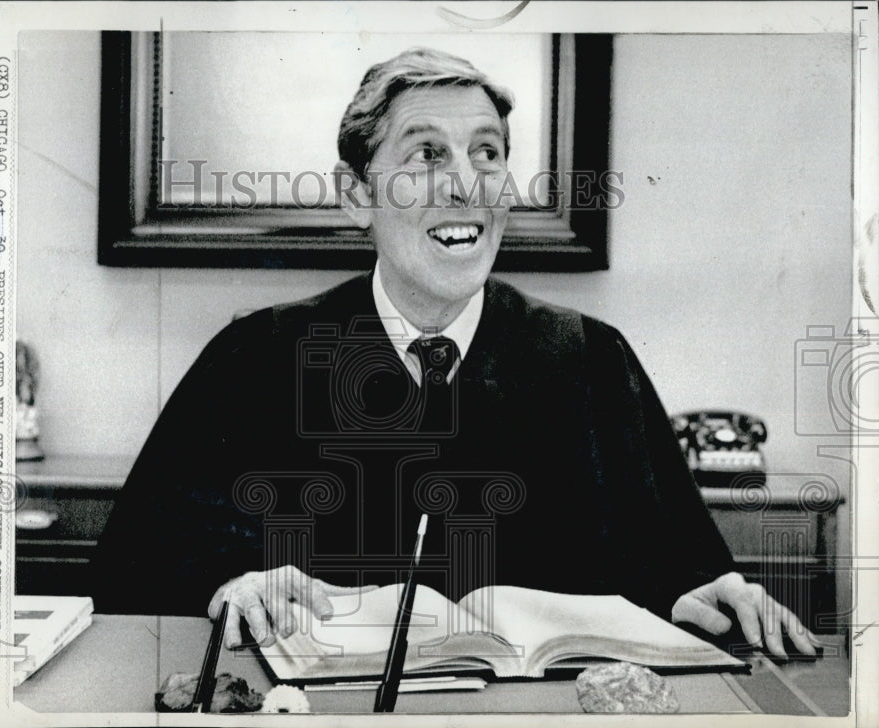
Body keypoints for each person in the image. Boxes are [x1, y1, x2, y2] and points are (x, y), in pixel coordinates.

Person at [92, 47, 817, 660]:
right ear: (356, 195)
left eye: (487, 154)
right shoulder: (257, 356)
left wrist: (705, 591)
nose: (466, 184)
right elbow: (138, 566)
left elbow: (669, 565)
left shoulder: (592, 361)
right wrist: (231, 584)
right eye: (427, 154)